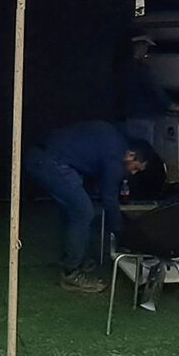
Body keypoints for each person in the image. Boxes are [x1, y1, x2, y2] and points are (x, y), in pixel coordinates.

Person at [25, 120, 151, 293]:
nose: (132, 173)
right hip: (51, 161)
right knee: (83, 211)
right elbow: (109, 199)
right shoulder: (116, 159)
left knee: (73, 209)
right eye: (135, 168)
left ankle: (72, 257)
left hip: (40, 154)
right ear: (130, 155)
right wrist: (121, 233)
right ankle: (71, 272)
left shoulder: (114, 138)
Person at [119, 35, 179, 130]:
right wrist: (170, 105)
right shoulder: (141, 68)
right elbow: (153, 88)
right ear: (140, 46)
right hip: (143, 115)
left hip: (127, 115)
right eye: (146, 46)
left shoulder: (123, 66)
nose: (146, 50)